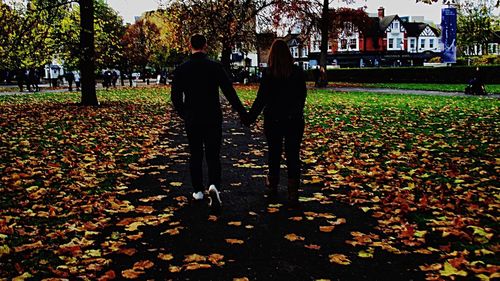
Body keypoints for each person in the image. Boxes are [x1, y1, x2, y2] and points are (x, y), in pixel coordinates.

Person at [171, 34, 247, 210]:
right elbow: (229, 92)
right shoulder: (214, 67)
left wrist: (185, 114)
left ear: (190, 44)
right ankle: (214, 185)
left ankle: (198, 191)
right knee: (213, 153)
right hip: (212, 116)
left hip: (193, 117)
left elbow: (175, 98)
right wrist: (243, 113)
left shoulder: (182, 69)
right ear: (205, 45)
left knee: (195, 153)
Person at [243, 39, 307, 207]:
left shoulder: (269, 74)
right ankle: (293, 192)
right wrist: (296, 111)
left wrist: (249, 118)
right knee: (293, 154)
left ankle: (273, 187)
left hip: (274, 119)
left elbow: (261, 99)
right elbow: (302, 96)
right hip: (294, 119)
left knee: (274, 153)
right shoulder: (298, 72)